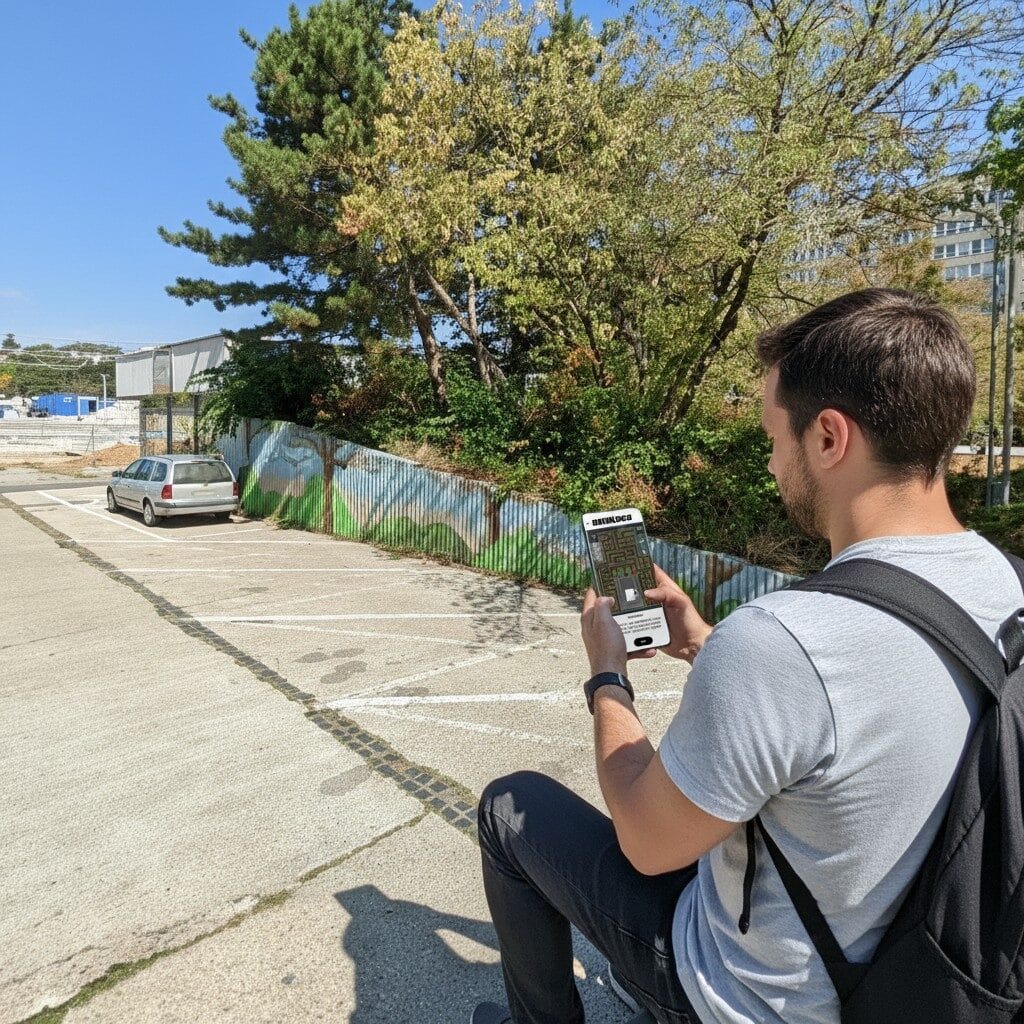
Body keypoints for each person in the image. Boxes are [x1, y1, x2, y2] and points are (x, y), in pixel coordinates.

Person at [470, 288, 1024, 1024]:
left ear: (828, 437)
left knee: (509, 808)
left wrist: (607, 678)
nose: (769, 461)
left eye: (772, 435)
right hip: (930, 973)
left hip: (756, 1001)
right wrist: (703, 641)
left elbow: (646, 843)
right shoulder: (1007, 584)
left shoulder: (782, 642)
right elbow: (851, 715)